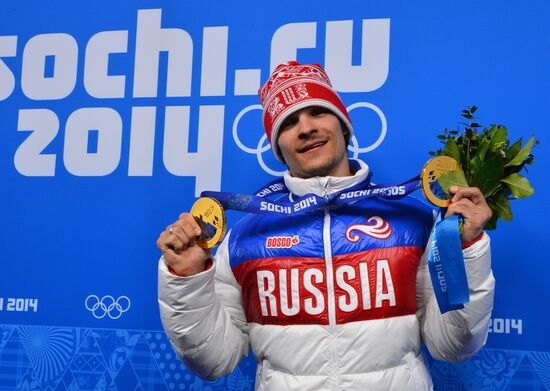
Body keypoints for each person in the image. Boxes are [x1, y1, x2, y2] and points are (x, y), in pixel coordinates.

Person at [156, 61, 495, 390]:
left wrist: (464, 248)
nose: (305, 128)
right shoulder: (245, 238)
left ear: (343, 126)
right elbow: (213, 360)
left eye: (317, 112)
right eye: (288, 123)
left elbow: (453, 345)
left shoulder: (411, 222)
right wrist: (187, 280)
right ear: (278, 148)